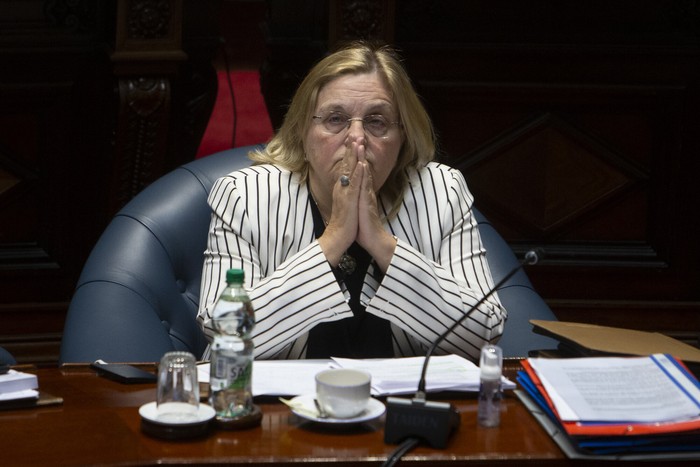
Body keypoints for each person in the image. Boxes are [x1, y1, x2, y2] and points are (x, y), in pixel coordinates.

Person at [197, 41, 506, 362]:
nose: (356, 138)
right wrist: (334, 240)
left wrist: (381, 242)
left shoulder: (442, 190)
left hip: (404, 405)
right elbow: (224, 332)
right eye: (335, 119)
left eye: (376, 122)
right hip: (273, 406)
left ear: (403, 137)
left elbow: (485, 333)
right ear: (303, 130)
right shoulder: (244, 196)